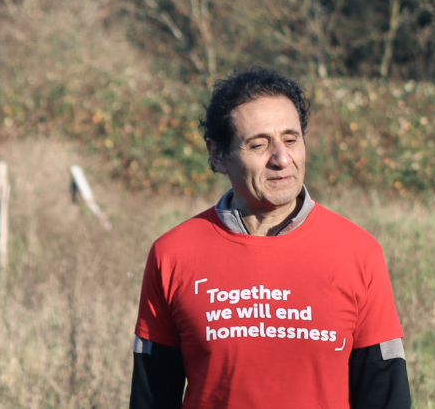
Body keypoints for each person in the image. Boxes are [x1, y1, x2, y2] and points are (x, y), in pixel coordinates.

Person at [129, 67, 410, 409]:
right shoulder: (173, 254)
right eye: (258, 144)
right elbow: (152, 396)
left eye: (291, 140)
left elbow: (385, 396)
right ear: (218, 154)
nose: (281, 159)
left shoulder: (359, 252)